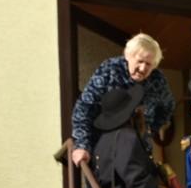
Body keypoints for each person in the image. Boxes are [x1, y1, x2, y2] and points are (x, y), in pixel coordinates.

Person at [69, 33, 176, 169]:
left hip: (138, 151)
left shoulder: (157, 81)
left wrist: (151, 130)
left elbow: (168, 107)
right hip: (104, 147)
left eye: (148, 64)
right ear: (128, 55)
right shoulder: (110, 70)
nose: (143, 68)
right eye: (140, 61)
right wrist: (82, 145)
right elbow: (84, 108)